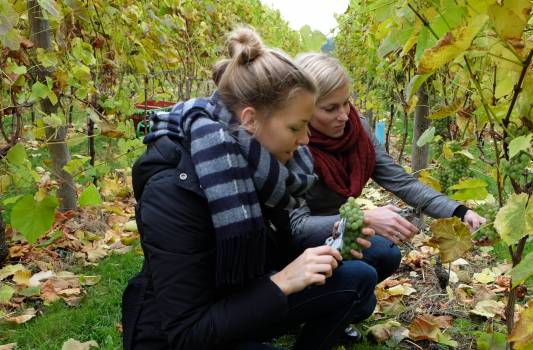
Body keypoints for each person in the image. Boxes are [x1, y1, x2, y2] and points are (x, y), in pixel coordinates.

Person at [121, 28, 377, 350]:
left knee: (359, 277)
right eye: (296, 127)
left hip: (241, 297)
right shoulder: (173, 192)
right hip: (180, 337)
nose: (305, 141)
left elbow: (272, 245)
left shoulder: (265, 170)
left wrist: (331, 239)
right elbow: (187, 332)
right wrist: (282, 282)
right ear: (250, 120)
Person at [291, 53, 487, 284]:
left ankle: (337, 297)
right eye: (330, 108)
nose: (344, 115)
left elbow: (402, 182)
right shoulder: (290, 143)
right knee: (359, 279)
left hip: (340, 233)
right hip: (295, 244)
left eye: (346, 102)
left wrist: (460, 212)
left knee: (386, 255)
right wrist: (362, 219)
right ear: (303, 108)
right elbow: (297, 227)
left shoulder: (357, 131)